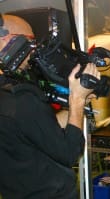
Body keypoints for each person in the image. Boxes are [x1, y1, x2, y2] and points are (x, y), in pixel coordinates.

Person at [0, 14, 100, 198]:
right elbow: (70, 153)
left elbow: (38, 130)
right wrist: (77, 100)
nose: (33, 51)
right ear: (8, 40)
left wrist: (76, 104)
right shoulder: (20, 98)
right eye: (30, 42)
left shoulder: (10, 96)